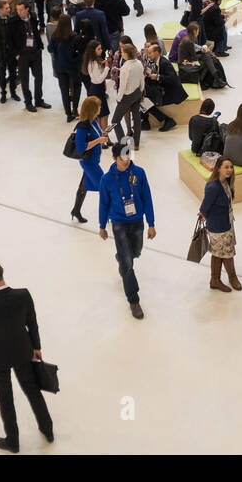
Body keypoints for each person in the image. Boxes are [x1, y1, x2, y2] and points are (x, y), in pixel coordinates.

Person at [0, 259, 53, 453]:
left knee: (6, 399)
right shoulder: (23, 295)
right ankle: (48, 430)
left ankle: (13, 442)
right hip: (23, 351)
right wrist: (37, 347)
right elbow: (32, 324)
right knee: (32, 390)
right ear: (3, 272)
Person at [97, 141, 156, 320]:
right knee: (128, 265)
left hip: (137, 221)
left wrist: (151, 223)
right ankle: (134, 300)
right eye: (123, 159)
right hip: (119, 223)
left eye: (128, 158)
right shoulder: (106, 179)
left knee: (135, 252)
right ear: (114, 158)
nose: (126, 162)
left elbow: (147, 197)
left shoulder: (139, 173)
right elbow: (103, 203)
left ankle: (121, 258)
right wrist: (101, 226)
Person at [198, 158, 242, 293]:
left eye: (231, 167)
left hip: (227, 222)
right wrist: (203, 214)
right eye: (226, 167)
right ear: (218, 168)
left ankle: (215, 279)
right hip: (218, 226)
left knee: (219, 253)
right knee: (226, 253)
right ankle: (230, 277)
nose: (230, 170)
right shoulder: (213, 187)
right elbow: (205, 206)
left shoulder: (226, 182)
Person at [70, 96, 108, 222]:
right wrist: (98, 140)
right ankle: (108, 215)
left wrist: (103, 134)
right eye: (99, 106)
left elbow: (97, 134)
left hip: (94, 159)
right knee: (104, 188)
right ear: (92, 109)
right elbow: (81, 148)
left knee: (83, 187)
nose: (100, 108)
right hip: (89, 163)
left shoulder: (94, 121)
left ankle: (75, 210)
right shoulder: (82, 127)